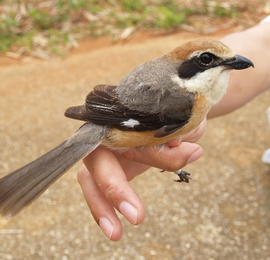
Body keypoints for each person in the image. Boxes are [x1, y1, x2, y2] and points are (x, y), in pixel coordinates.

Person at [77, 18, 270, 241]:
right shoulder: (180, 100)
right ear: (184, 68)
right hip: (113, 122)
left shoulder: (184, 97)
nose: (233, 64)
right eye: (207, 59)